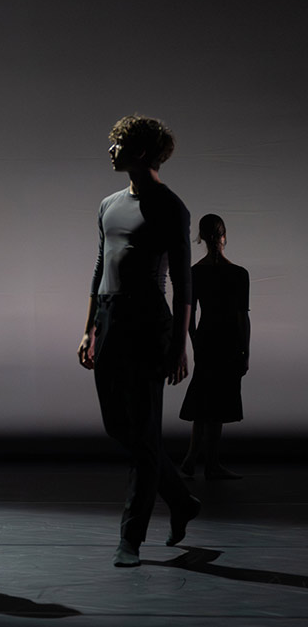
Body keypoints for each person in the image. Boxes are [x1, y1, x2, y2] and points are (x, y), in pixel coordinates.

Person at [77, 115, 201, 567]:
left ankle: (130, 539)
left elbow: (184, 284)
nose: (110, 150)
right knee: (119, 427)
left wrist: (180, 344)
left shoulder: (171, 207)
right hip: (110, 320)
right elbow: (101, 267)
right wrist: (89, 327)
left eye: (118, 144)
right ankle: (181, 501)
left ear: (141, 151)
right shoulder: (108, 204)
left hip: (149, 323)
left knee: (145, 433)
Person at [179, 214, 250, 480]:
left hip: (207, 338)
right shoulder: (239, 274)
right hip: (229, 340)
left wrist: (195, 341)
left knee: (204, 397)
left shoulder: (196, 272)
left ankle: (193, 458)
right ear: (224, 236)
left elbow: (189, 315)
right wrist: (245, 350)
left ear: (201, 237)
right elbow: (243, 317)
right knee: (219, 401)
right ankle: (210, 463)